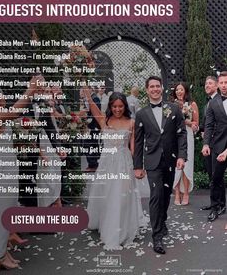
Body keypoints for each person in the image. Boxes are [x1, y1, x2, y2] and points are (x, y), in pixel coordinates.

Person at [83, 87, 147, 250]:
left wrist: (139, 167)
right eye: (114, 107)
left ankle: (119, 230)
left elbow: (133, 148)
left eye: (120, 106)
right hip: (106, 164)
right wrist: (85, 89)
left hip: (124, 163)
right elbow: (92, 106)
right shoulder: (105, 120)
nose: (117, 109)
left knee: (121, 197)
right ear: (110, 107)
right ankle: (104, 223)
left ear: (125, 106)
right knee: (106, 195)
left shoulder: (131, 123)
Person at [0, 76, 42, 271]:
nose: (4, 98)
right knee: (1, 212)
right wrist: (30, 89)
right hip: (1, 168)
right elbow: (15, 112)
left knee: (8, 209)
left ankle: (3, 252)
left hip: (9, 165)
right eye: (1, 95)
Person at [134, 76, 187, 254]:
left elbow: (181, 134)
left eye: (158, 86)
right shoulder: (141, 114)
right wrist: (137, 166)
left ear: (162, 88)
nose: (155, 89)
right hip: (152, 161)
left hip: (171, 160)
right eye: (152, 87)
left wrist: (182, 156)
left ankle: (162, 220)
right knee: (156, 196)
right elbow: (139, 142)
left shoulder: (173, 108)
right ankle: (157, 236)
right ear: (147, 90)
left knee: (165, 194)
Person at [202, 71, 227, 222]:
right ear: (218, 85)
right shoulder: (213, 102)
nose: (224, 86)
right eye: (222, 83)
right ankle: (215, 207)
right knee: (215, 178)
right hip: (218, 145)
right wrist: (206, 144)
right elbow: (209, 125)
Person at [172, 82, 199, 205]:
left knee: (186, 166)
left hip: (187, 136)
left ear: (185, 91)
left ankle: (186, 193)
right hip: (173, 137)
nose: (179, 92)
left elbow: (196, 125)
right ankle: (177, 193)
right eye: (177, 90)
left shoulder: (192, 104)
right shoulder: (171, 105)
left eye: (181, 89)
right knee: (176, 165)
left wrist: (185, 120)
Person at [199, 76, 218, 211]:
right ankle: (215, 203)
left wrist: (209, 133)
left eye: (210, 83)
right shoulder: (209, 102)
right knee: (212, 174)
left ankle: (218, 204)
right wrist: (200, 129)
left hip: (217, 143)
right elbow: (207, 122)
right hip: (208, 143)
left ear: (216, 86)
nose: (207, 85)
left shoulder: (218, 101)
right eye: (206, 83)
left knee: (216, 175)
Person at [84, 87, 101, 172]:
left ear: (90, 89)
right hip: (91, 126)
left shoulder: (95, 98)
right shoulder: (88, 98)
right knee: (92, 144)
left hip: (93, 126)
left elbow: (95, 113)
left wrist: (86, 121)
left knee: (89, 144)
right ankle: (93, 163)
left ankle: (92, 164)